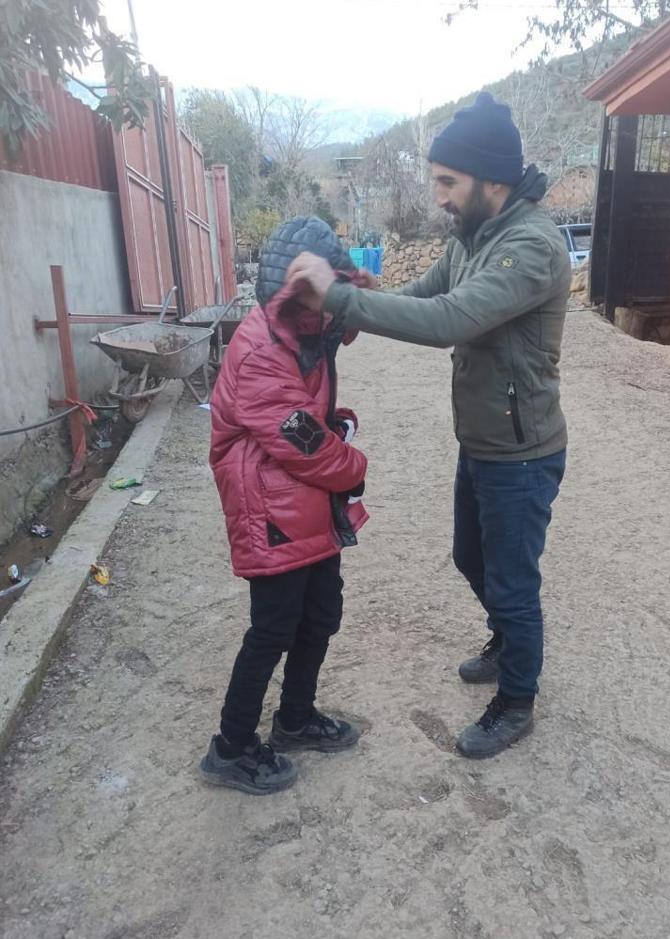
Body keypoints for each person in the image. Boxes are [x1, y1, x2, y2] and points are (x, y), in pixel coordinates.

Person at [287, 93, 571, 760]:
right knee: (472, 558)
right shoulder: (474, 236)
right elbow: (423, 298)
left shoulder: (529, 247)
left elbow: (449, 320)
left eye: (447, 181)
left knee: (511, 579)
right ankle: (507, 639)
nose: (439, 195)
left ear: (490, 179)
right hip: (483, 442)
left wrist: (336, 295)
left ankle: (517, 697)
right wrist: (353, 303)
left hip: (522, 453)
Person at [200, 217, 369, 795]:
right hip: (266, 507)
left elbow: (309, 417)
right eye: (326, 296)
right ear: (295, 296)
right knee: (272, 627)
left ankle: (295, 718)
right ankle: (232, 747)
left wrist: (352, 294)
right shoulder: (260, 350)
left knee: (321, 614)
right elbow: (300, 442)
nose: (333, 311)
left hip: (304, 504)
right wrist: (354, 465)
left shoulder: (306, 336)